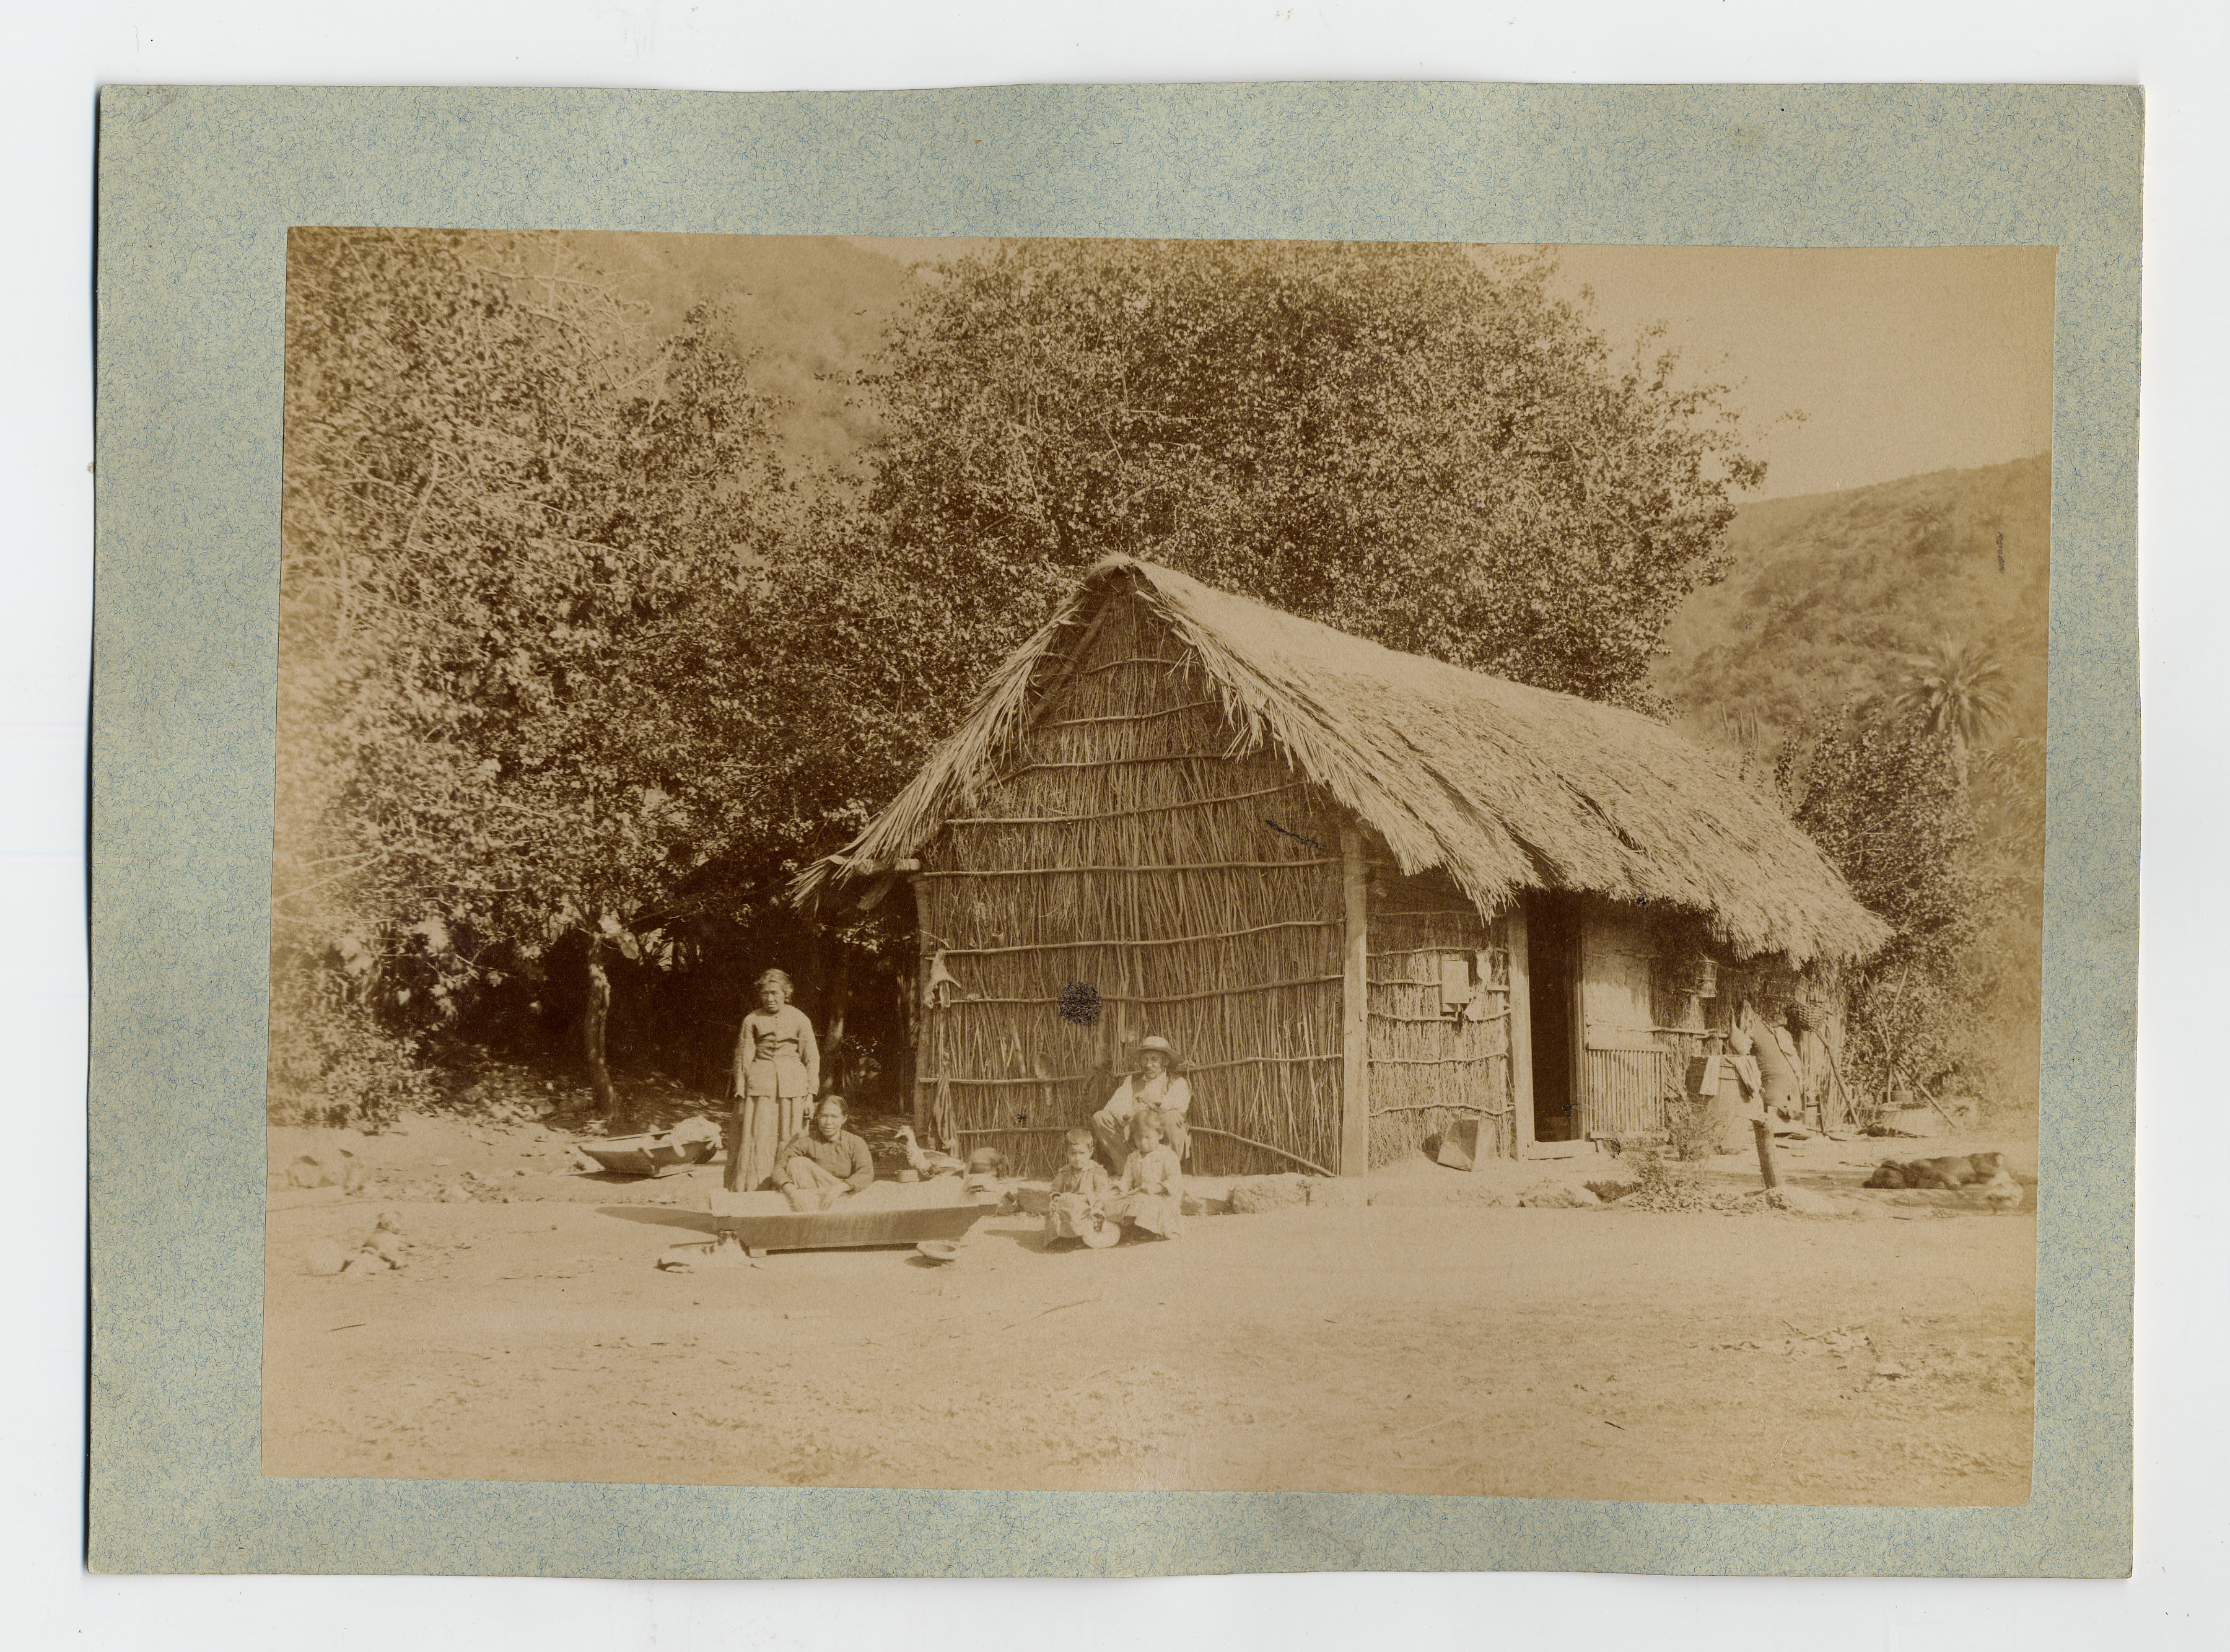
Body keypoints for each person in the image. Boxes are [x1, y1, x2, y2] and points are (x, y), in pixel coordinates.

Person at [724, 969, 820, 1193]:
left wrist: (810, 1095)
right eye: (765, 993)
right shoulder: (752, 1020)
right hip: (760, 1088)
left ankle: (791, 1190)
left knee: (790, 1139)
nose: (770, 998)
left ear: (786, 993)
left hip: (794, 1088)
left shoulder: (800, 1019)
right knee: (758, 1139)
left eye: (775, 993)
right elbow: (743, 1056)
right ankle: (752, 1191)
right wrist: (741, 1091)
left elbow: (812, 1057)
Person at [1092, 1034, 1192, 1172]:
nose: (1148, 1064)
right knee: (1101, 1117)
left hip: (1161, 1140)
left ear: (1165, 1061)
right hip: (1135, 1138)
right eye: (1145, 1059)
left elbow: (1179, 1105)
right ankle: (1129, 1168)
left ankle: (1166, 1170)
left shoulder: (1177, 1082)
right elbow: (1113, 1106)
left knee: (1173, 1117)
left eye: (1153, 1059)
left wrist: (1154, 1102)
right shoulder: (1132, 1081)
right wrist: (1129, 1114)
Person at [772, 1095, 875, 1212]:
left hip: (846, 1194)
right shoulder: (807, 1142)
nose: (828, 1122)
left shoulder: (855, 1142)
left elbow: (866, 1173)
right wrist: (793, 1194)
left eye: (834, 1117)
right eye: (824, 1116)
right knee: (797, 1163)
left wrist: (839, 1188)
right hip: (818, 1198)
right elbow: (778, 1169)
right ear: (818, 1117)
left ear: (844, 1119)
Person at [1104, 1108, 1184, 1241]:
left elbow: (1176, 1181)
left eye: (1148, 1138)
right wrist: (1119, 1188)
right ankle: (1135, 1227)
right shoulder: (1133, 1158)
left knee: (1146, 1201)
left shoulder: (1167, 1156)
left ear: (1160, 1135)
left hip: (1161, 1198)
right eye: (1138, 1138)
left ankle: (1148, 1230)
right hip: (1140, 1195)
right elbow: (1127, 1181)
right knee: (1116, 1201)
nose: (1143, 1143)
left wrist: (1158, 1188)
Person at [1044, 1127, 1115, 1248]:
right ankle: (1060, 1237)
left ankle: (1079, 1238)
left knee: (1080, 1211)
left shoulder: (1096, 1171)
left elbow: (1102, 1192)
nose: (1077, 1158)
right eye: (1073, 1153)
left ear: (1090, 1152)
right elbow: (1055, 1189)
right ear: (1067, 1153)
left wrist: (1091, 1200)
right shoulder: (1065, 1172)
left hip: (1087, 1206)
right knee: (1054, 1212)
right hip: (1067, 1206)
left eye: (1082, 1153)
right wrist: (1056, 1197)